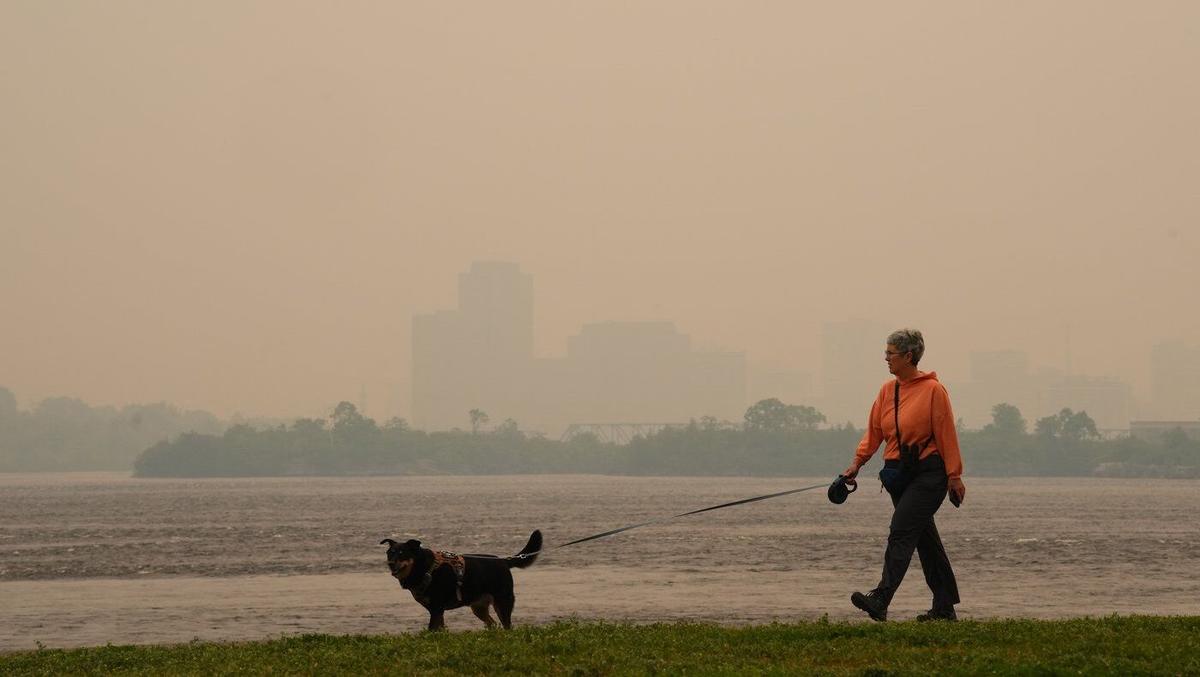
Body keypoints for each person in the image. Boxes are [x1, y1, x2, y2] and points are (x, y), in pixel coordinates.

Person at [841, 328, 965, 622]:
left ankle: (881, 598)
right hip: (898, 475)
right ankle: (944, 608)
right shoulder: (887, 390)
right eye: (886, 353)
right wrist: (856, 464)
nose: (886, 358)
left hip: (929, 474)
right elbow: (874, 432)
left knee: (901, 530)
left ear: (908, 356)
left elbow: (946, 433)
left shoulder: (934, 390)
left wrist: (954, 475)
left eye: (890, 353)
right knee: (925, 540)